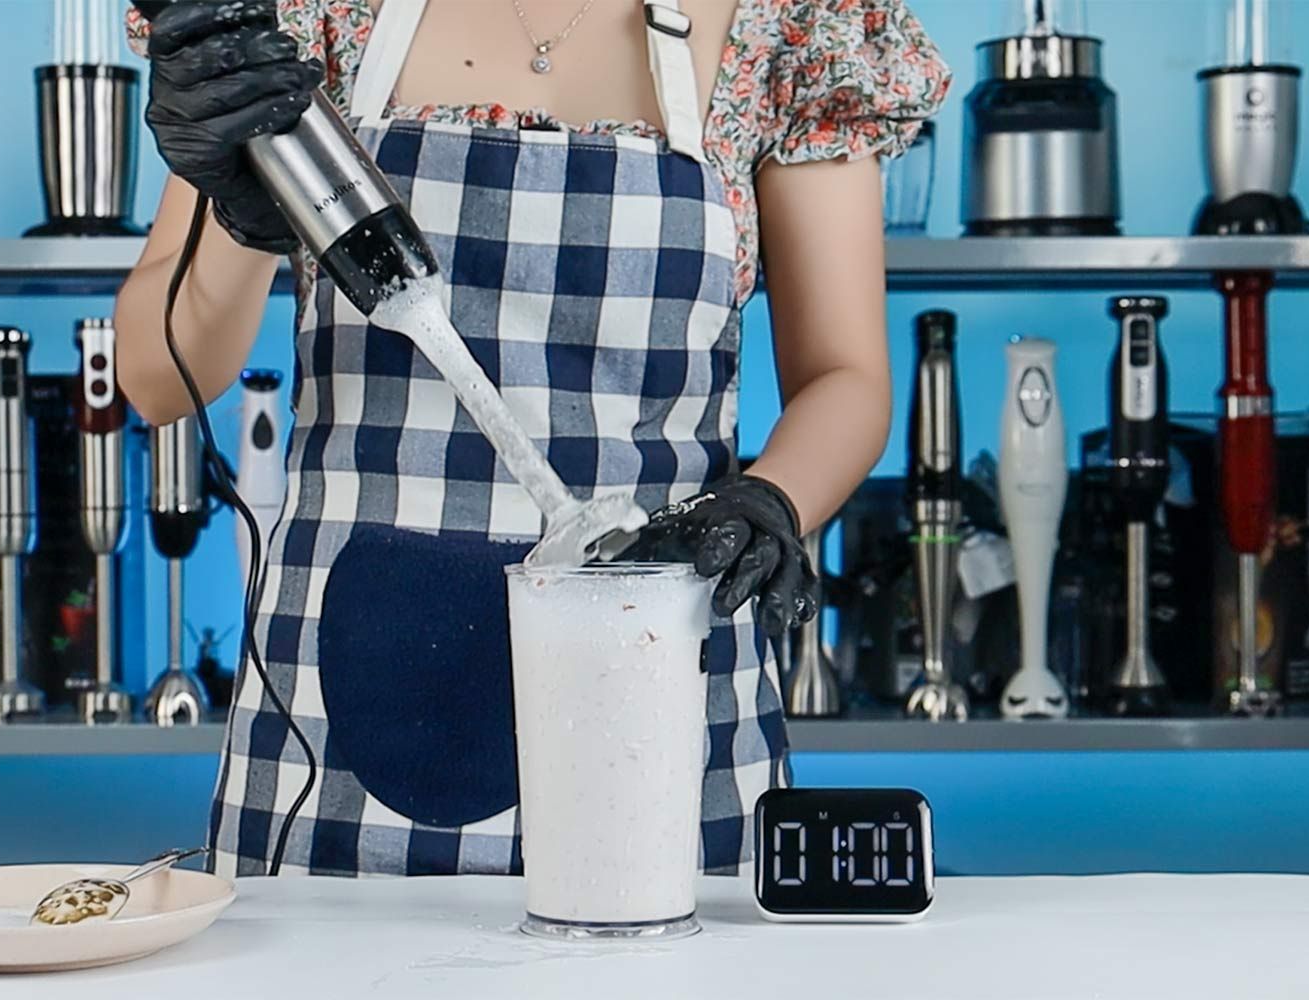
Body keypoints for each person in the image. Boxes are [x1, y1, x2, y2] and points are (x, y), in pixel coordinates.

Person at [116, 0, 949, 878]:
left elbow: (846, 377)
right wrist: (241, 211)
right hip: (339, 708)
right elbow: (156, 376)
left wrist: (770, 497)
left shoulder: (789, 24)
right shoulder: (311, 13)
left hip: (660, 674)